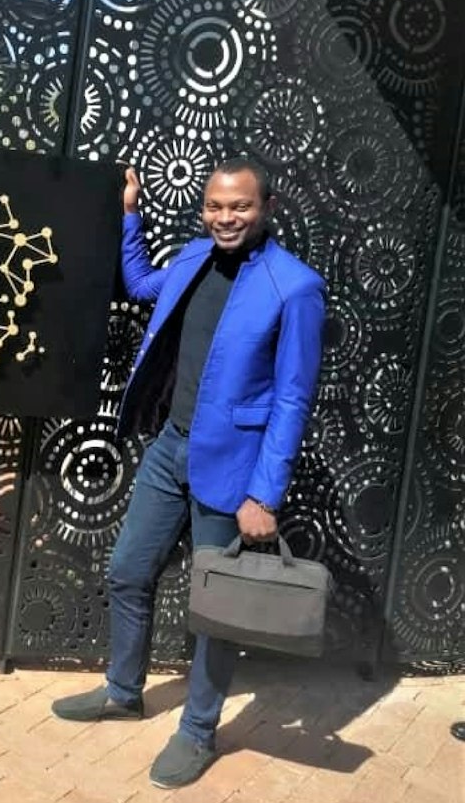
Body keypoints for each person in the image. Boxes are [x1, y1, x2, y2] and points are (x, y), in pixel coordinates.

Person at [52, 156, 326, 789]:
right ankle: (124, 692)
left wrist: (265, 492)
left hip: (233, 468)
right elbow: (143, 284)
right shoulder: (194, 257)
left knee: (216, 608)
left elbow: (292, 398)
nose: (226, 218)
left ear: (266, 209)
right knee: (127, 571)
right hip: (170, 449)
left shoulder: (296, 286)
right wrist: (129, 216)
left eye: (240, 207)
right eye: (215, 206)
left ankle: (198, 731)